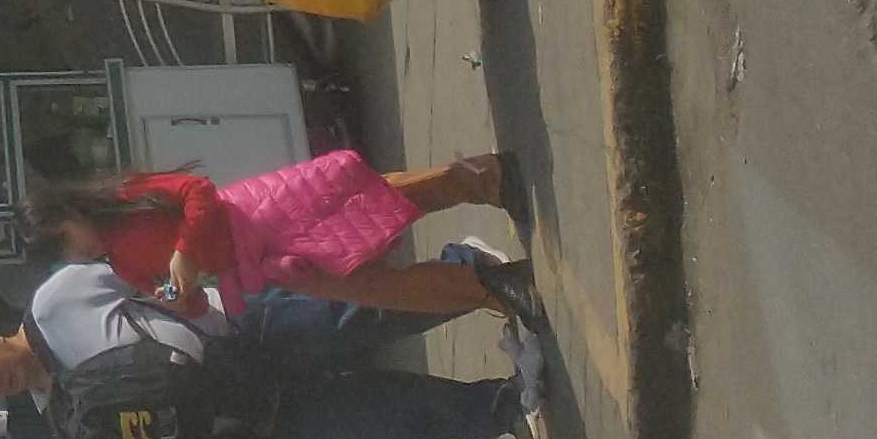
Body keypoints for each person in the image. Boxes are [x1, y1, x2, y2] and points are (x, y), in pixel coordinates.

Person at [0, 246, 540, 439]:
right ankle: (503, 408)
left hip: (244, 329)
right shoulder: (61, 417)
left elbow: (144, 269)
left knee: (370, 315)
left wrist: (188, 297)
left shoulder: (54, 302)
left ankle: (474, 273)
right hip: (246, 413)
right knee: (388, 414)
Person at [27, 157, 531, 321]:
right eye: (68, 257)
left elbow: (198, 192)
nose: (78, 253)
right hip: (267, 266)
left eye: (68, 239)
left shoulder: (127, 196)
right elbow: (193, 304)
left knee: (378, 205)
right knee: (380, 288)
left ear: (70, 211)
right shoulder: (122, 267)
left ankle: (480, 179)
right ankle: (491, 287)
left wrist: (184, 251)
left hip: (262, 216)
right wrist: (180, 299)